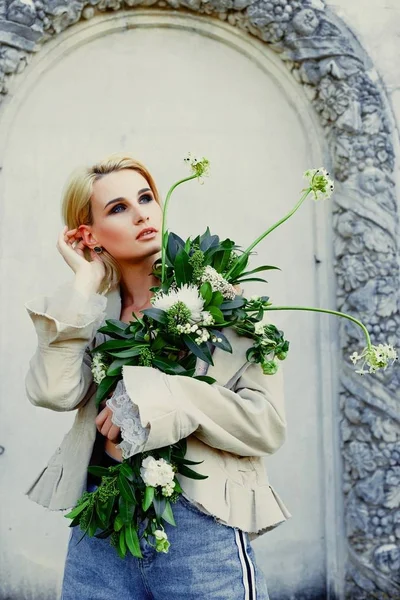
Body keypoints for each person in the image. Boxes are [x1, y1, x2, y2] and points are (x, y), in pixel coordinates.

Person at [24, 153, 291, 600]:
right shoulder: (92, 309)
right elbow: (53, 392)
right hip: (102, 528)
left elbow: (266, 426)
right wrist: (85, 283)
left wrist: (160, 396)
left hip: (199, 526)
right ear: (89, 234)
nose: (142, 213)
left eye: (146, 197)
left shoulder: (222, 297)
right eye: (118, 208)